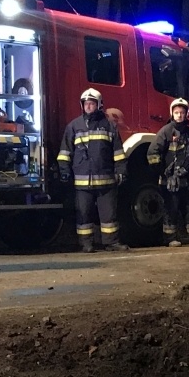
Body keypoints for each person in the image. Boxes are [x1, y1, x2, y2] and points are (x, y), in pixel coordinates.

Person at [58, 88, 129, 253]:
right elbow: (64, 152)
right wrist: (64, 171)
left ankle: (111, 242)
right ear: (82, 105)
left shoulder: (109, 126)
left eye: (92, 103)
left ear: (99, 105)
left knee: (109, 215)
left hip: (106, 180)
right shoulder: (74, 126)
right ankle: (86, 244)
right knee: (83, 214)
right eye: (86, 104)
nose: (89, 106)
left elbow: (118, 152)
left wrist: (121, 171)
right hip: (82, 181)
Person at [147, 98, 189, 247]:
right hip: (170, 181)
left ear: (186, 114)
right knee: (171, 209)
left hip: (186, 179)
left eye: (182, 112)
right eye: (176, 113)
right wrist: (164, 174)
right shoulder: (166, 131)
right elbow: (152, 153)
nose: (179, 115)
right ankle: (170, 239)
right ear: (172, 114)